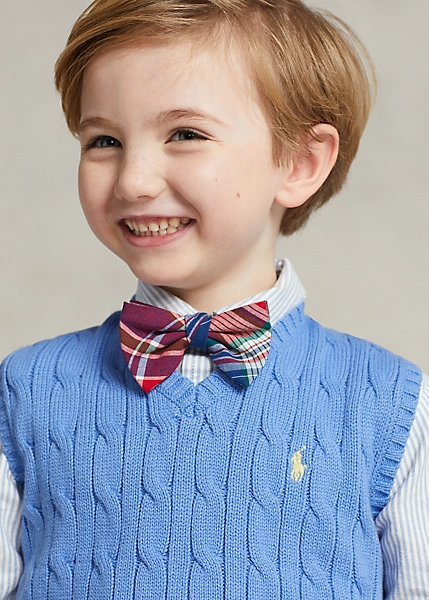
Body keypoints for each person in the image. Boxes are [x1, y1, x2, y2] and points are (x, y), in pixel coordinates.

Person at [0, 0, 428, 598]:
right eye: (104, 140)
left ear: (301, 163)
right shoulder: (24, 391)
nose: (133, 180)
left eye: (186, 134)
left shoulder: (388, 403)